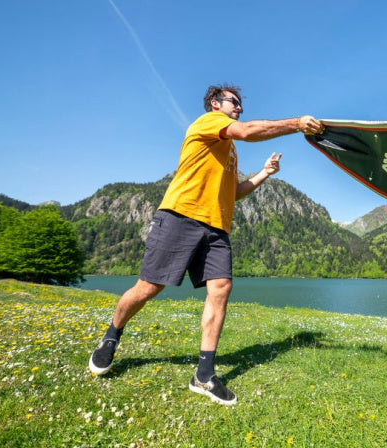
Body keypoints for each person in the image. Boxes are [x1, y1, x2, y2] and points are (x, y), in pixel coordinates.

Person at [88, 83, 324, 406]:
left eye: (241, 104)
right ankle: (111, 336)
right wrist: (296, 124)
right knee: (149, 287)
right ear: (216, 103)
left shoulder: (228, 150)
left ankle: (204, 375)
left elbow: (233, 192)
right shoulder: (209, 123)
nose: (239, 108)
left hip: (216, 228)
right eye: (234, 102)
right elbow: (246, 131)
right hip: (181, 215)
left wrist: (265, 173)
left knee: (221, 288)